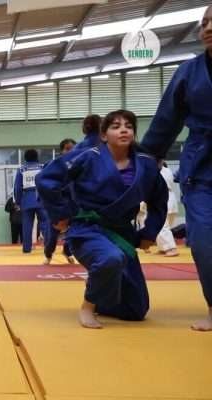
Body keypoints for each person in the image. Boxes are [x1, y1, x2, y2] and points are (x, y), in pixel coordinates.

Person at [37, 110, 167, 329]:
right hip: (87, 230)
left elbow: (159, 200)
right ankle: (88, 306)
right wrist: (61, 214)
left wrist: (149, 232)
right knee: (110, 258)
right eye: (116, 126)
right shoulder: (88, 156)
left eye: (128, 126)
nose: (123, 130)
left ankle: (101, 295)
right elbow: (46, 179)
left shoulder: (145, 164)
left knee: (136, 310)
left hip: (122, 234)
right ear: (104, 135)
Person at [140, 6, 212, 331]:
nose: (208, 28)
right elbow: (166, 121)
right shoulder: (189, 72)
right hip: (202, 169)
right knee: (204, 240)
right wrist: (146, 161)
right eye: (205, 23)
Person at [43, 139, 77, 265]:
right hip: (56, 202)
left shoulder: (80, 164)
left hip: (73, 202)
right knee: (53, 234)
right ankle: (48, 254)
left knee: (74, 231)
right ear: (61, 151)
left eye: (73, 148)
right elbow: (43, 184)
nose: (71, 151)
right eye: (67, 149)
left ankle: (67, 251)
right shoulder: (51, 165)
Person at [14, 149, 49, 253]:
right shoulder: (43, 167)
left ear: (25, 158)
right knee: (45, 223)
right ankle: (48, 247)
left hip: (27, 198)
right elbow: (48, 183)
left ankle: (26, 249)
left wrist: (18, 201)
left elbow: (17, 187)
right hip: (41, 197)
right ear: (37, 157)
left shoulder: (21, 169)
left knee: (27, 225)